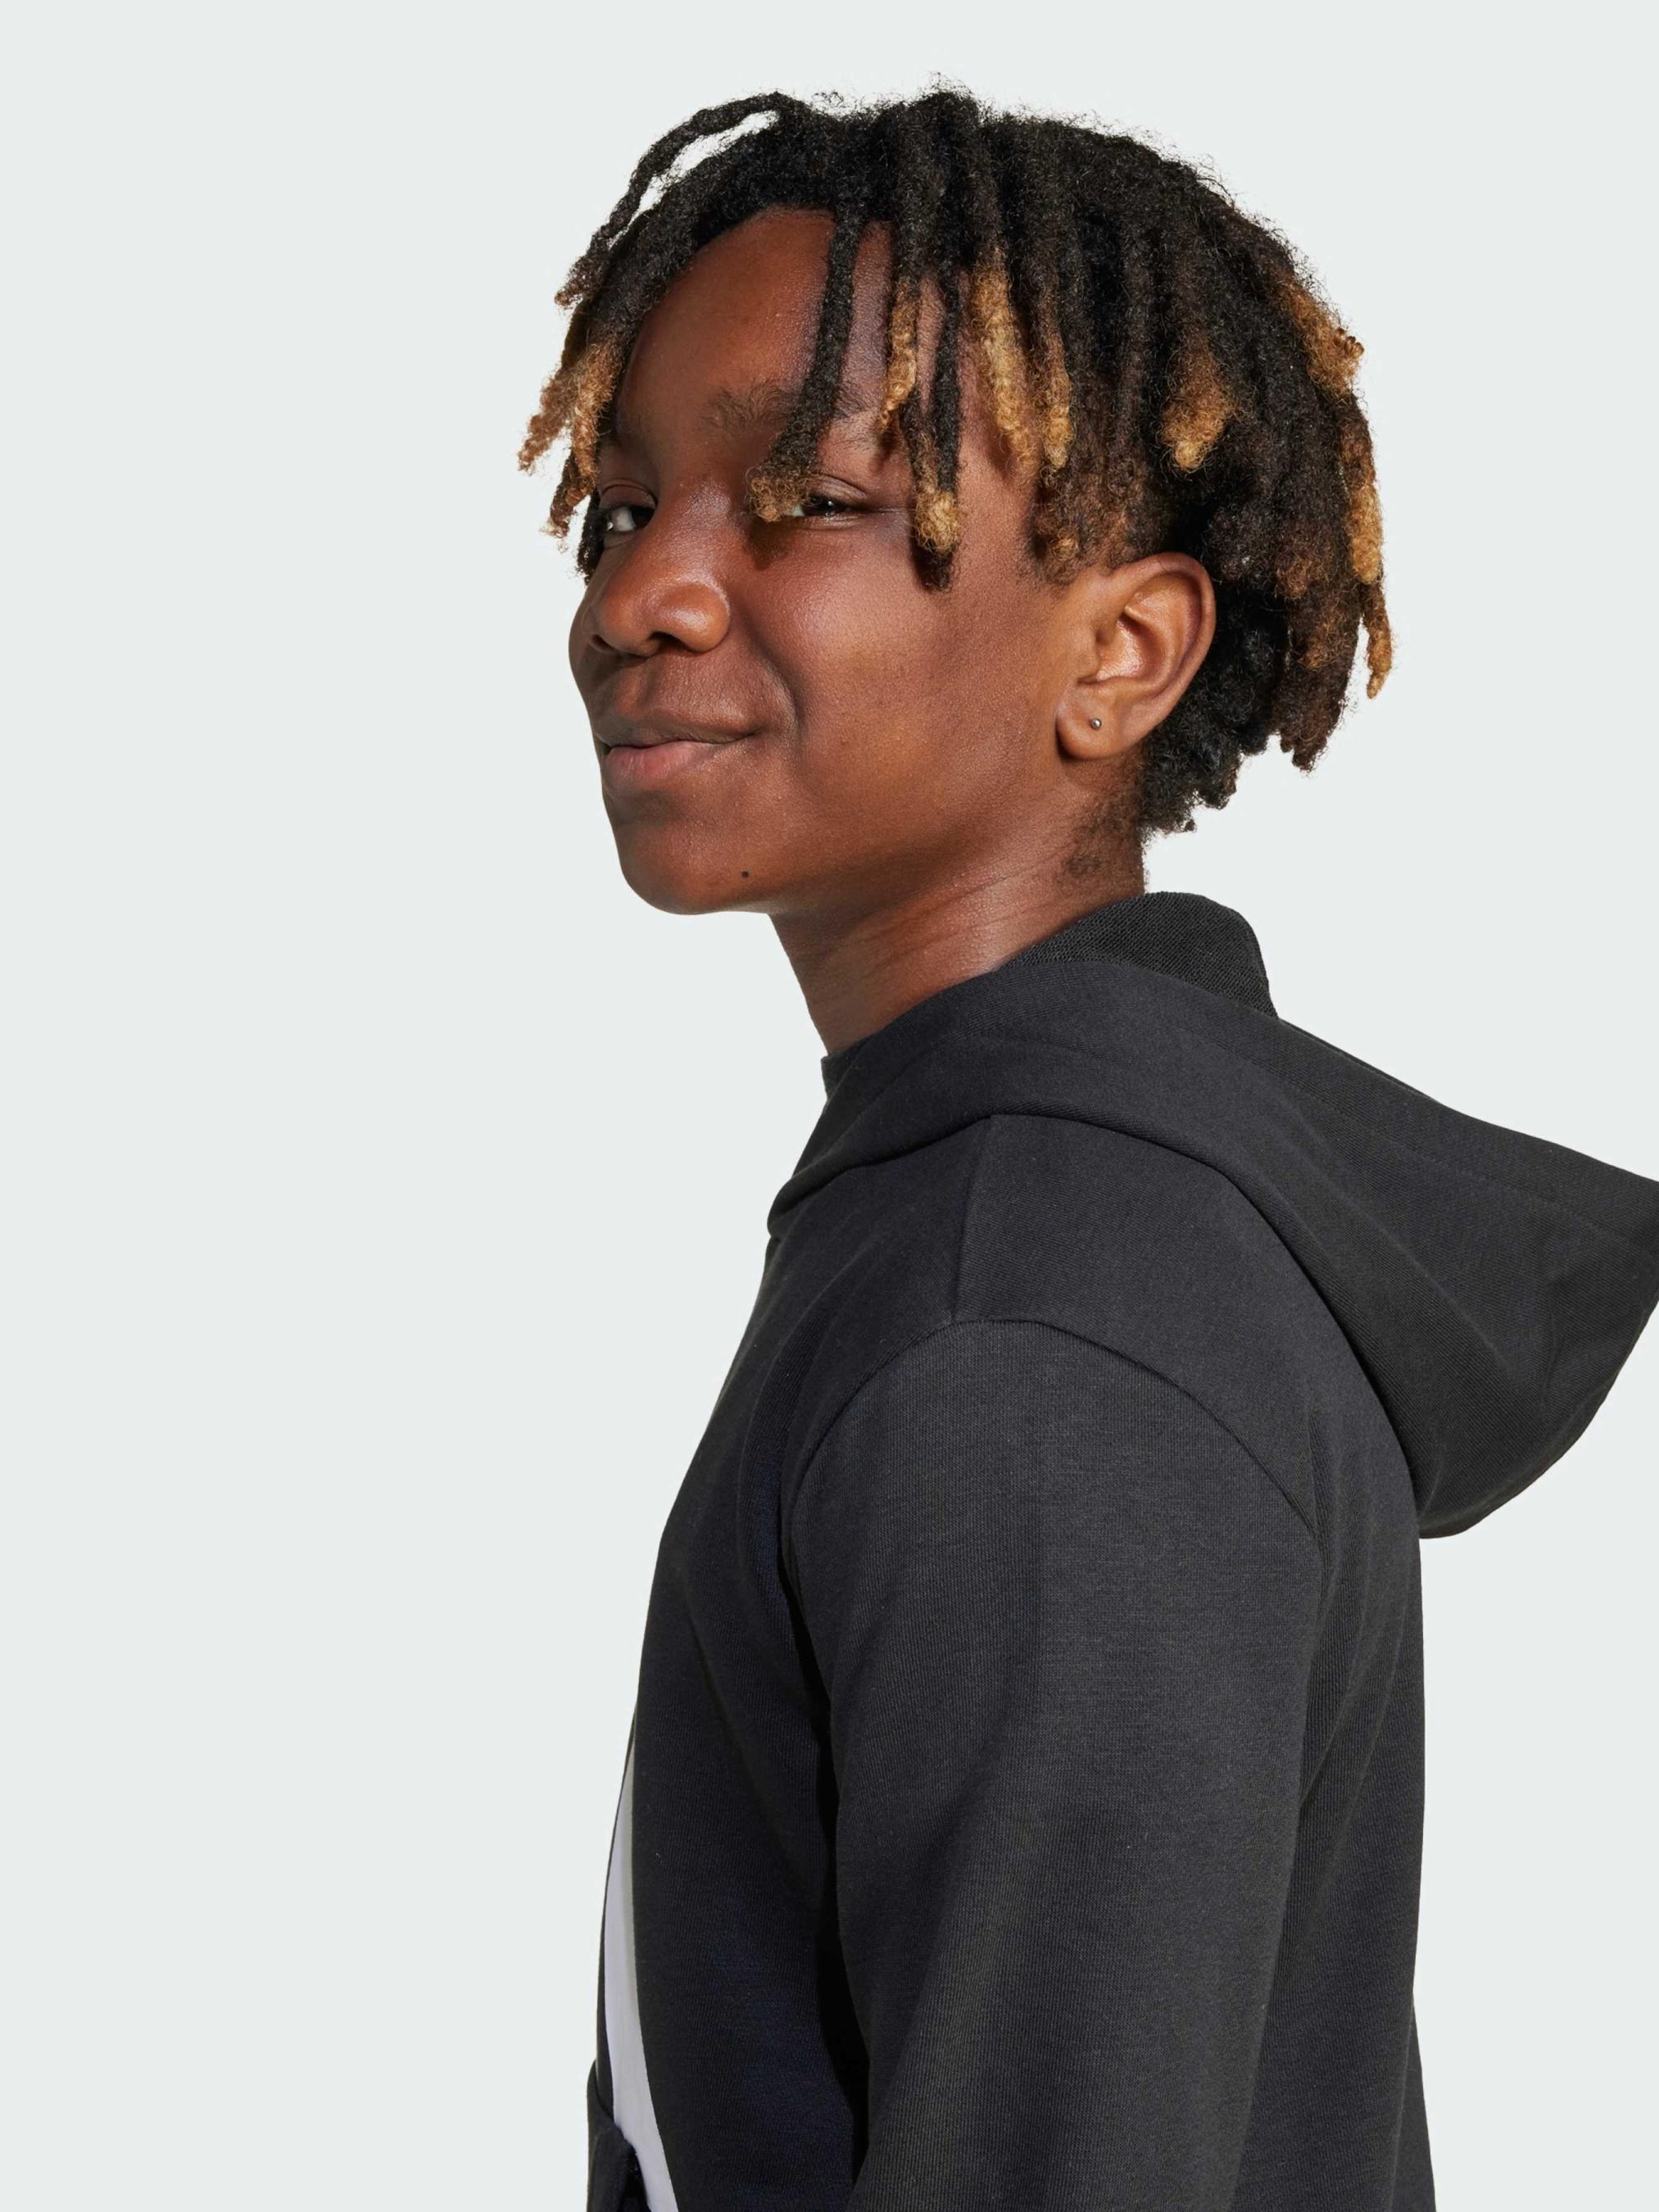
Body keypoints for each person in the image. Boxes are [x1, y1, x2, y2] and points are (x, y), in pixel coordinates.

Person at [521, 89, 1659, 2212]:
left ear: (1120, 652)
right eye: (626, 505)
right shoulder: (986, 1228)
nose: (641, 594)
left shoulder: (1033, 1330)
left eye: (805, 497)